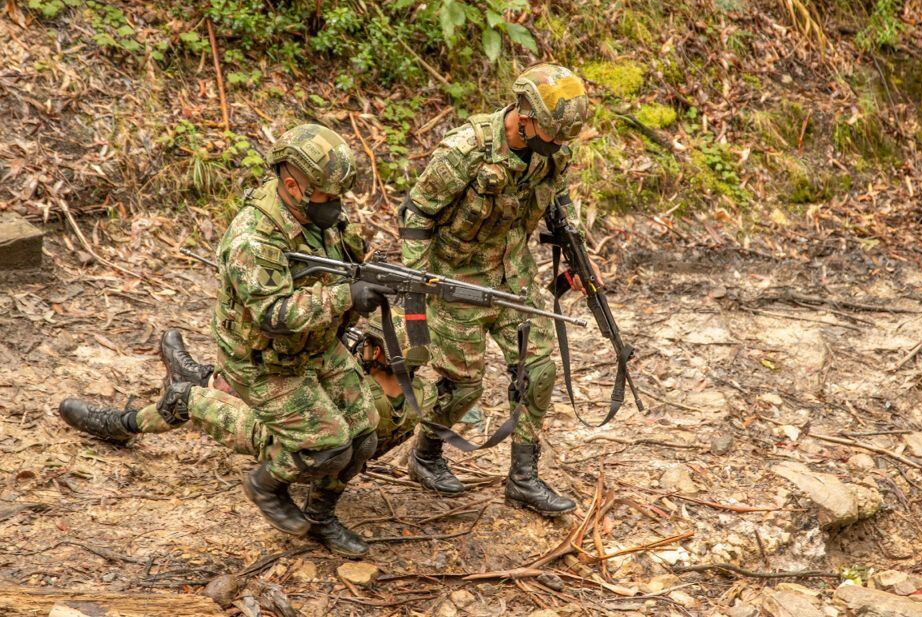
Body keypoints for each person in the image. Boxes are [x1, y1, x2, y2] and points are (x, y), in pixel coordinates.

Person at [62, 123, 391, 553]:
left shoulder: (317, 218)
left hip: (314, 348)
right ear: (293, 185)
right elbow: (272, 313)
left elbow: (338, 269)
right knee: (327, 449)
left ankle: (320, 518)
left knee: (365, 433)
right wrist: (343, 296)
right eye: (329, 197)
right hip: (264, 362)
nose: (337, 207)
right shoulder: (253, 238)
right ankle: (259, 478)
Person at [397, 63, 601, 516]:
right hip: (455, 281)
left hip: (514, 275)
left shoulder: (553, 149)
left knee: (539, 371)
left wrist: (577, 254)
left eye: (562, 140)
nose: (555, 146)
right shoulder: (466, 150)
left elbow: (558, 203)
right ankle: (426, 455)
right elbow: (416, 215)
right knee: (463, 388)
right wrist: (419, 284)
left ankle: (523, 479)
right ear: (523, 115)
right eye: (549, 135)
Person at [59, 318, 437, 558]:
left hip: (286, 445)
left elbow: (286, 397)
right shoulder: (422, 395)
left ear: (377, 353)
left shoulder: (357, 390)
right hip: (325, 456)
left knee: (191, 401)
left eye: (369, 343)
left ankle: (122, 422)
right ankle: (195, 373)